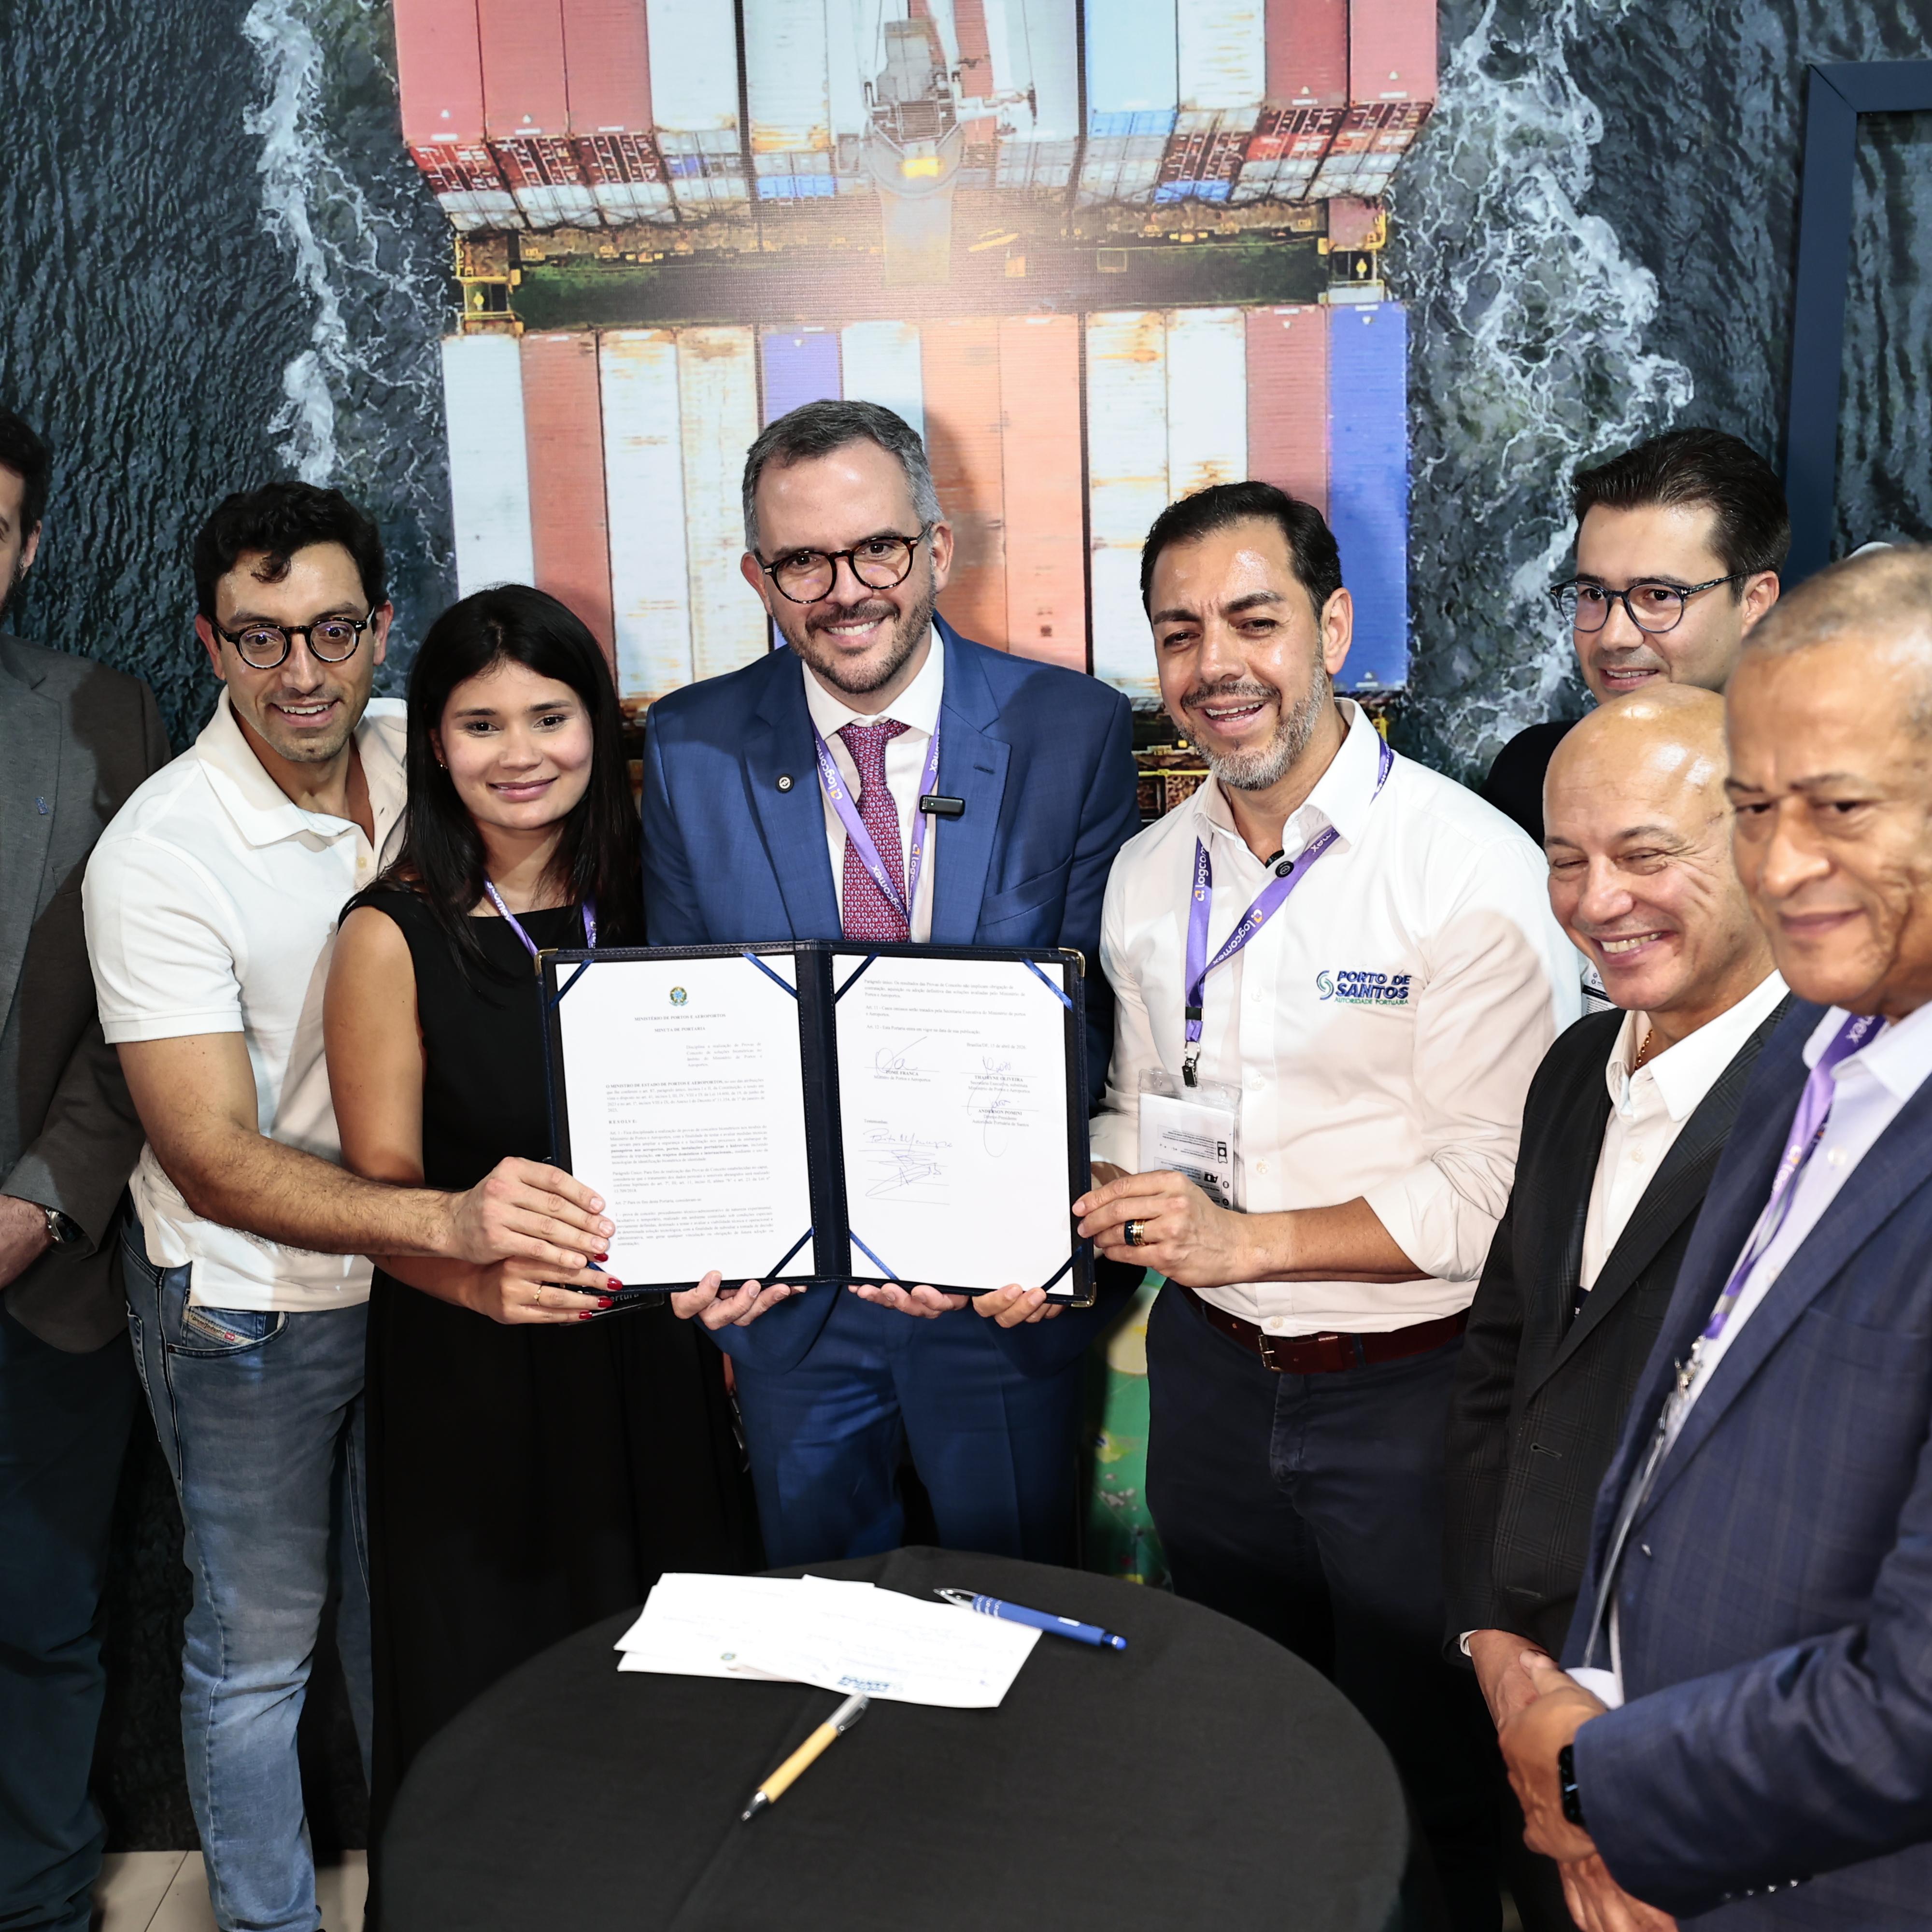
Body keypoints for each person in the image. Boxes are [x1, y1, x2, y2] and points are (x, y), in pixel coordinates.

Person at [83, 485, 611, 1932]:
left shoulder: (424, 751)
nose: (300, 670)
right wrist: (449, 1228)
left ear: (383, 627)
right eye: (259, 637)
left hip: (426, 1293)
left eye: (330, 630)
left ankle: (434, 1893)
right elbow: (210, 1157)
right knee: (259, 1647)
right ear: (209, 644)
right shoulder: (161, 852)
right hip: (253, 1303)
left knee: (413, 1621)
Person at [1079, 479, 1581, 1930]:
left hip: (1407, 1401)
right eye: (1179, 632)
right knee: (1245, 1744)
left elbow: (1496, 1190)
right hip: (1211, 1384)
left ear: (1334, 626)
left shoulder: (1471, 871)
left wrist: (1245, 1239)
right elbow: (1136, 1107)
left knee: (1429, 1782)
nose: (1214, 665)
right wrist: (1070, 1210)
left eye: (1253, 620)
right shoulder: (1144, 873)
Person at [1501, 544, 1932, 1929]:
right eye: (1753, 809)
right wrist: (1582, 1713)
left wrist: (1601, 1784)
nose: (1781, 864)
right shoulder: (1813, 1052)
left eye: (1840, 807)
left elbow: (1914, 1703)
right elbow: (1669, 1453)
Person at [641, 398, 1140, 1567]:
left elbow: (1093, 1025)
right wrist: (702, 1239)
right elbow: (686, 1024)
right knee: (821, 1633)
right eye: (802, 562)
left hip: (996, 1299)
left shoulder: (1069, 730)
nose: (845, 591)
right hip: (791, 1312)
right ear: (759, 579)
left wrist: (992, 1228)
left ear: (936, 548)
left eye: (876, 549)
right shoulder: (688, 746)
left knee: (1017, 1625)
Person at [325, 584, 778, 1856]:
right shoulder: (389, 933)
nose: (520, 754)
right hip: (481, 1371)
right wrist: (479, 1280)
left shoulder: (657, 905)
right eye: (481, 725)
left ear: (601, 728)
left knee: (679, 1705)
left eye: (550, 716)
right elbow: (384, 1204)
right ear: (434, 743)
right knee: (499, 1722)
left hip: (654, 1361)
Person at [1444, 687, 1788, 1930]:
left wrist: (1627, 1767)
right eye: (1566, 860)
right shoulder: (1567, 1073)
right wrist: (1493, 1644)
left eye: (1645, 854)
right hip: (1530, 1703)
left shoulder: (1837, 1114)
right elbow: (1500, 1367)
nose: (1597, 902)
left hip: (1714, 1757)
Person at [0, 408, 170, 1932]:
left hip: (38, 1273)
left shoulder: (106, 716)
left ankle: (42, 1905)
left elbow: (146, 1010)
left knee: (42, 1622)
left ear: (27, 546)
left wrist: (42, 1198)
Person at [1482, 428, 1786, 846]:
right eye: (1593, 594)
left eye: (1659, 596)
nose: (1614, 636)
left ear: (1754, 602)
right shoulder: (1530, 775)